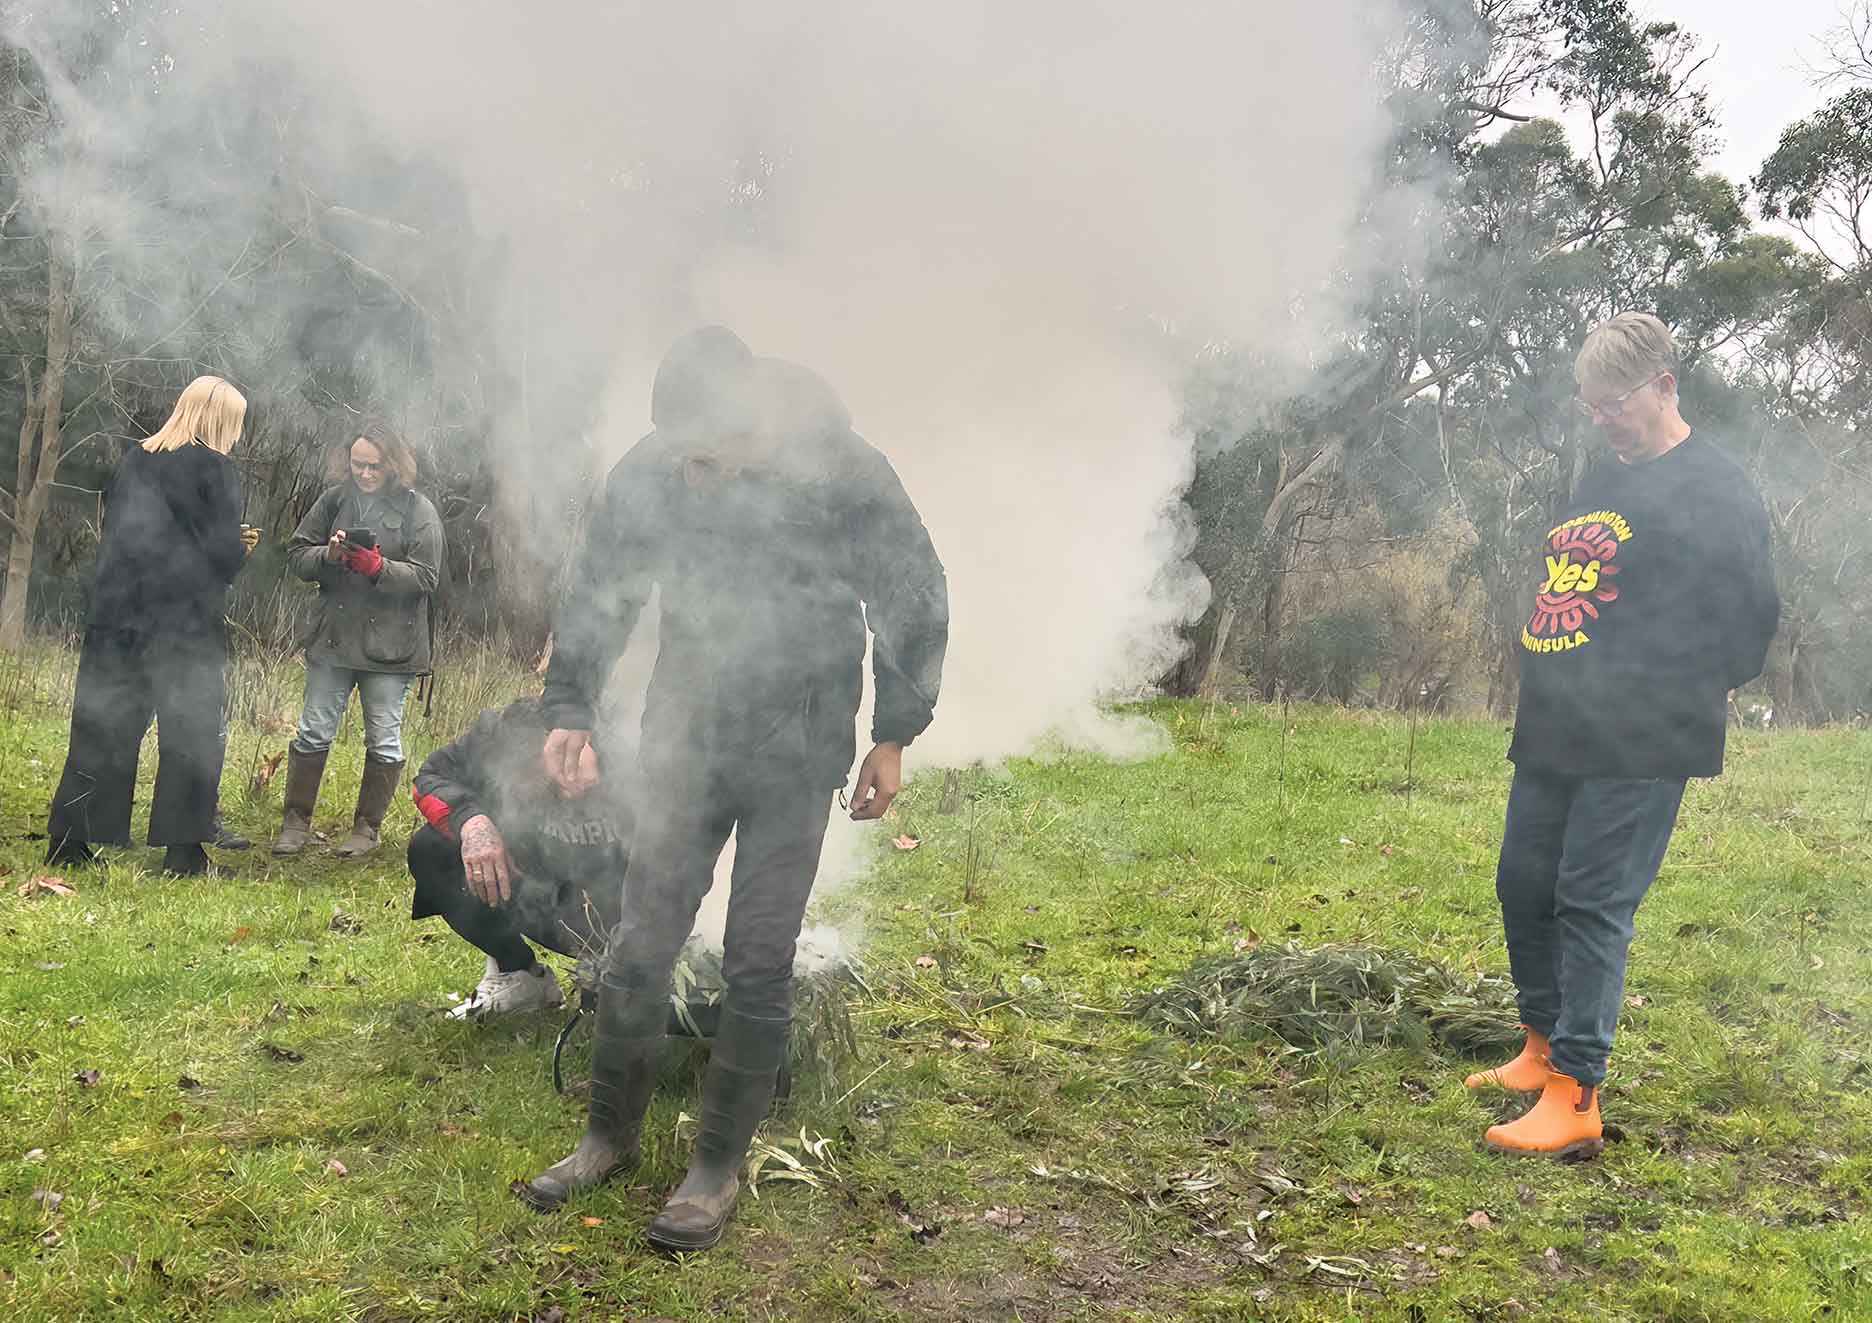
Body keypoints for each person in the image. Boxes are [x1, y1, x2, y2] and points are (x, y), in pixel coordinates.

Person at [518, 328, 949, 1253]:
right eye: (689, 456)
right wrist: (572, 704)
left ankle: (714, 1167)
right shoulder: (658, 463)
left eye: (715, 452)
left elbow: (910, 589)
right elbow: (602, 585)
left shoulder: (840, 465)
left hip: (798, 741)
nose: (700, 470)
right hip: (685, 732)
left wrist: (893, 733)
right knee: (640, 942)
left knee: (757, 955)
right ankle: (605, 1138)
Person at [1466, 313, 1779, 1157]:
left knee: (1591, 902)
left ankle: (1576, 1094)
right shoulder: (1603, 473)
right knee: (1523, 881)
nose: (1601, 418)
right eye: (1590, 405)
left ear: (1665, 385)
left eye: (1615, 402)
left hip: (1640, 738)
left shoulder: (1717, 487)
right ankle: (1538, 1048)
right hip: (1559, 723)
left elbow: (1751, 619)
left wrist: (1667, 685)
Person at [46, 376, 261, 877]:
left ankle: (70, 842)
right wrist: (240, 549)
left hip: (116, 616)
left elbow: (121, 537)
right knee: (191, 733)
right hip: (181, 623)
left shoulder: (133, 460)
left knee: (101, 726)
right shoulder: (216, 469)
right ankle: (184, 853)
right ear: (220, 421)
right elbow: (220, 553)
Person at [275, 425, 444, 859]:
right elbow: (297, 554)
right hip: (333, 638)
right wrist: (328, 556)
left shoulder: (417, 508)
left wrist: (377, 567)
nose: (365, 473)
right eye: (358, 464)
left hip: (392, 646)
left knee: (384, 738)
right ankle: (295, 822)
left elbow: (427, 577)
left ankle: (366, 830)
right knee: (313, 730)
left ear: (393, 463)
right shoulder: (333, 500)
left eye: (374, 465)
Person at [408, 696, 630, 1019]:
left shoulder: (620, 749)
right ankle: (518, 973)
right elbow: (428, 778)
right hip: (542, 896)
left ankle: (627, 977)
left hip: (623, 909)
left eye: (533, 768)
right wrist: (473, 821)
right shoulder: (493, 740)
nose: (521, 783)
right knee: (430, 849)